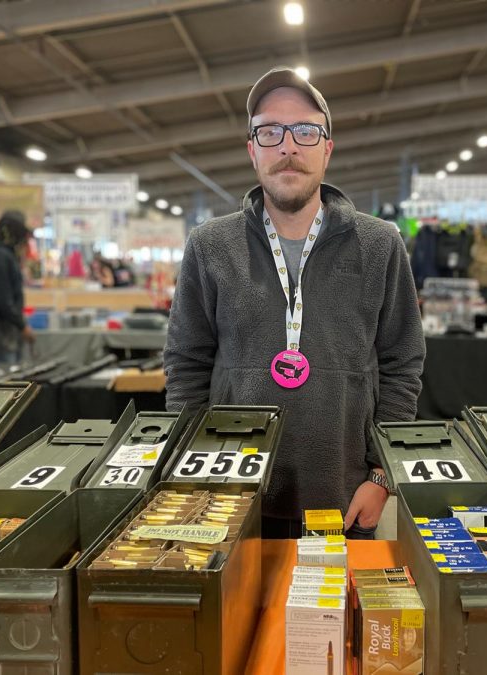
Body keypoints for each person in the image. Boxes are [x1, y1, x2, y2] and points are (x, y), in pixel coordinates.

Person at [163, 67, 425, 539]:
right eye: (270, 131)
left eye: (305, 131)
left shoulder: (380, 244)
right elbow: (186, 365)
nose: (288, 147)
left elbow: (402, 363)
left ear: (327, 148)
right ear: (252, 150)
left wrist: (381, 476)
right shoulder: (209, 245)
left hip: (345, 501)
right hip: (230, 497)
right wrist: (194, 471)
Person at [0, 210, 33, 364]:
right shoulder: (1, 256)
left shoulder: (5, 255)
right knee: (7, 375)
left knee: (12, 371)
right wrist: (21, 325)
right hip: (0, 326)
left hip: (6, 325)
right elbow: (2, 298)